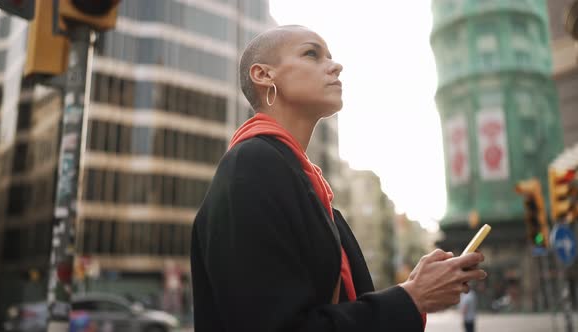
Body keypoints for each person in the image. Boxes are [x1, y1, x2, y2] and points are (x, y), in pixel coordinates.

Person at [190, 25, 487, 332]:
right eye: (311, 54)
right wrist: (410, 298)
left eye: (330, 56)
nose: (335, 65)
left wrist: (414, 292)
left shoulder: (308, 189)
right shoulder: (250, 169)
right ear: (264, 75)